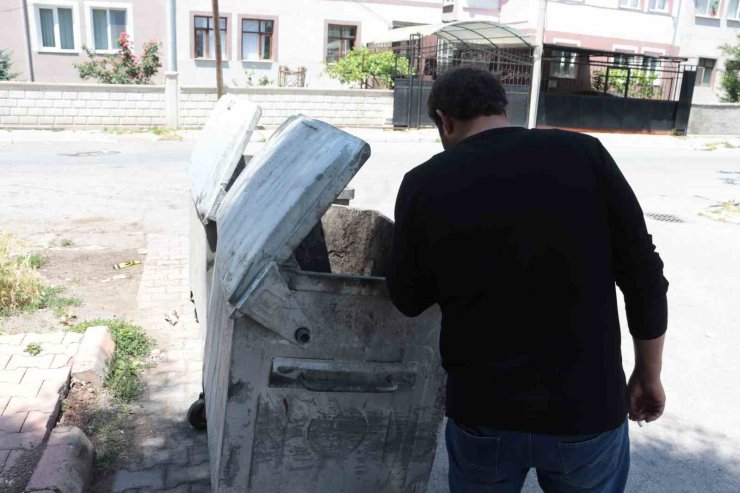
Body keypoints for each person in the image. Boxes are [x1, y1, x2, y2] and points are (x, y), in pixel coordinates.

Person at [386, 67, 668, 493]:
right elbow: (644, 274)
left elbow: (407, 297)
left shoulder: (424, 182)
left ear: (444, 121)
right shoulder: (585, 155)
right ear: (503, 108)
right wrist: (649, 375)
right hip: (587, 410)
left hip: (483, 414)